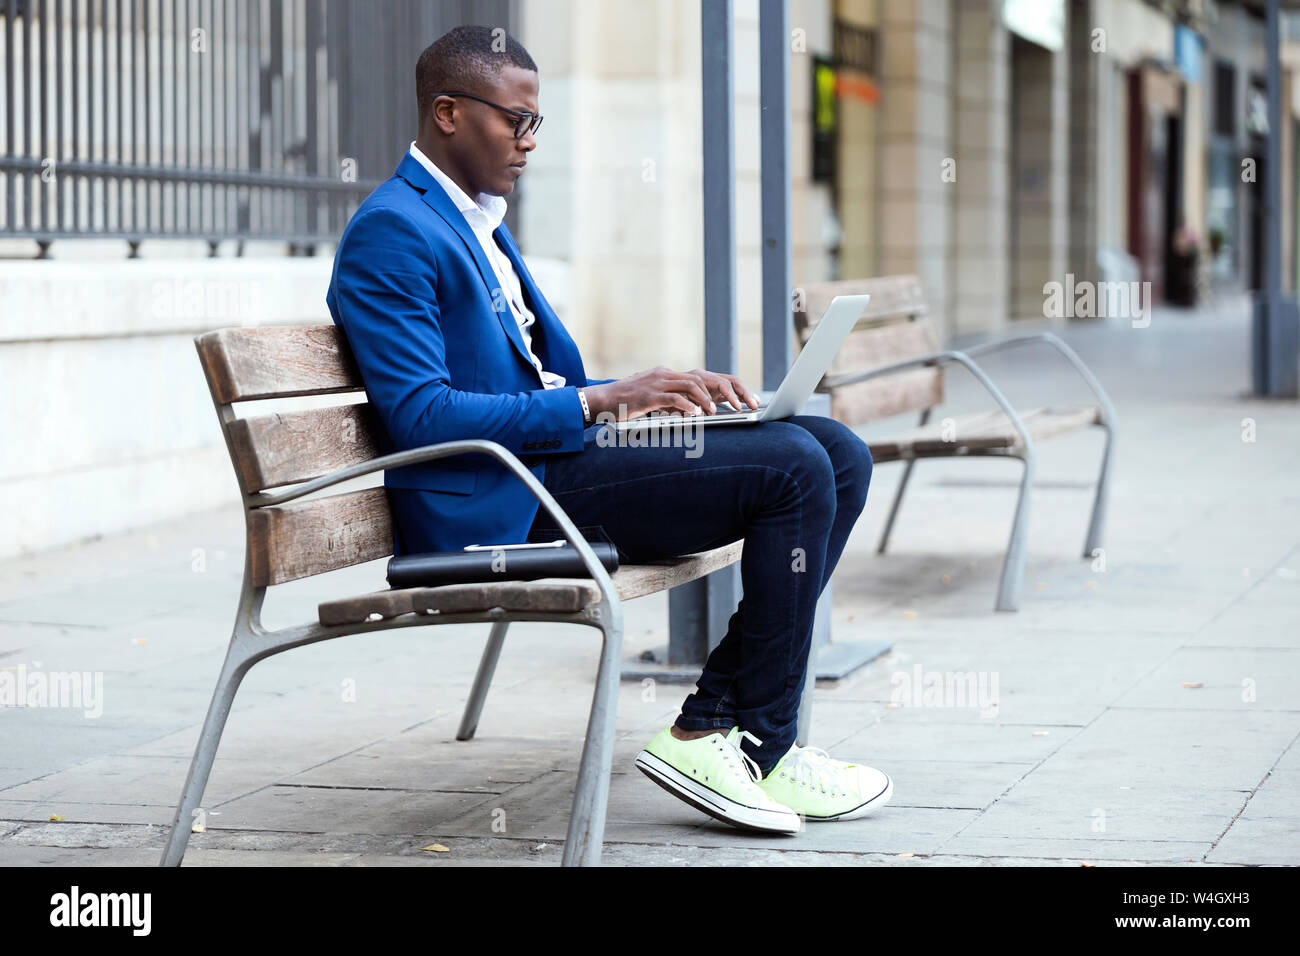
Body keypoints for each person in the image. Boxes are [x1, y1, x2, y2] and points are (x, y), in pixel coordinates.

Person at [325, 25, 892, 834]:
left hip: (552, 464)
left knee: (835, 450)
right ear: (446, 113)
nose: (527, 142)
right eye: (512, 121)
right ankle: (727, 736)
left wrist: (642, 395)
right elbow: (420, 415)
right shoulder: (393, 232)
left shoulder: (474, 217)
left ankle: (747, 742)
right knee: (793, 467)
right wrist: (598, 404)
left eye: (535, 124)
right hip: (504, 500)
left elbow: (535, 381)